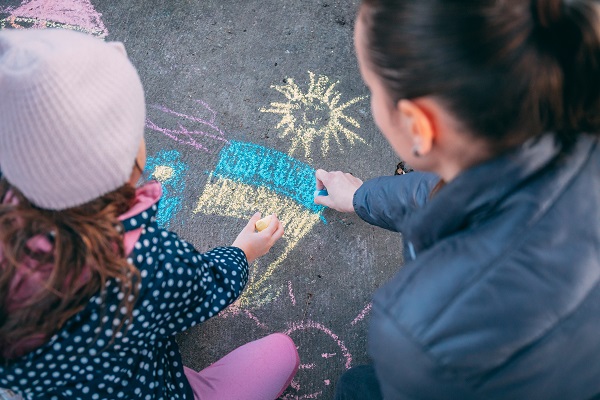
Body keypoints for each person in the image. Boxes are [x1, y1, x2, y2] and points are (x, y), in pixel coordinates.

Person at [315, 0, 600, 398]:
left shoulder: (423, 331)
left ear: (419, 125)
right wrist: (363, 196)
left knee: (354, 389)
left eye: (373, 89)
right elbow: (440, 190)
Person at [0, 29, 299, 400]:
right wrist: (242, 253)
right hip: (146, 387)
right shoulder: (141, 261)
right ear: (126, 162)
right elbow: (206, 288)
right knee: (280, 353)